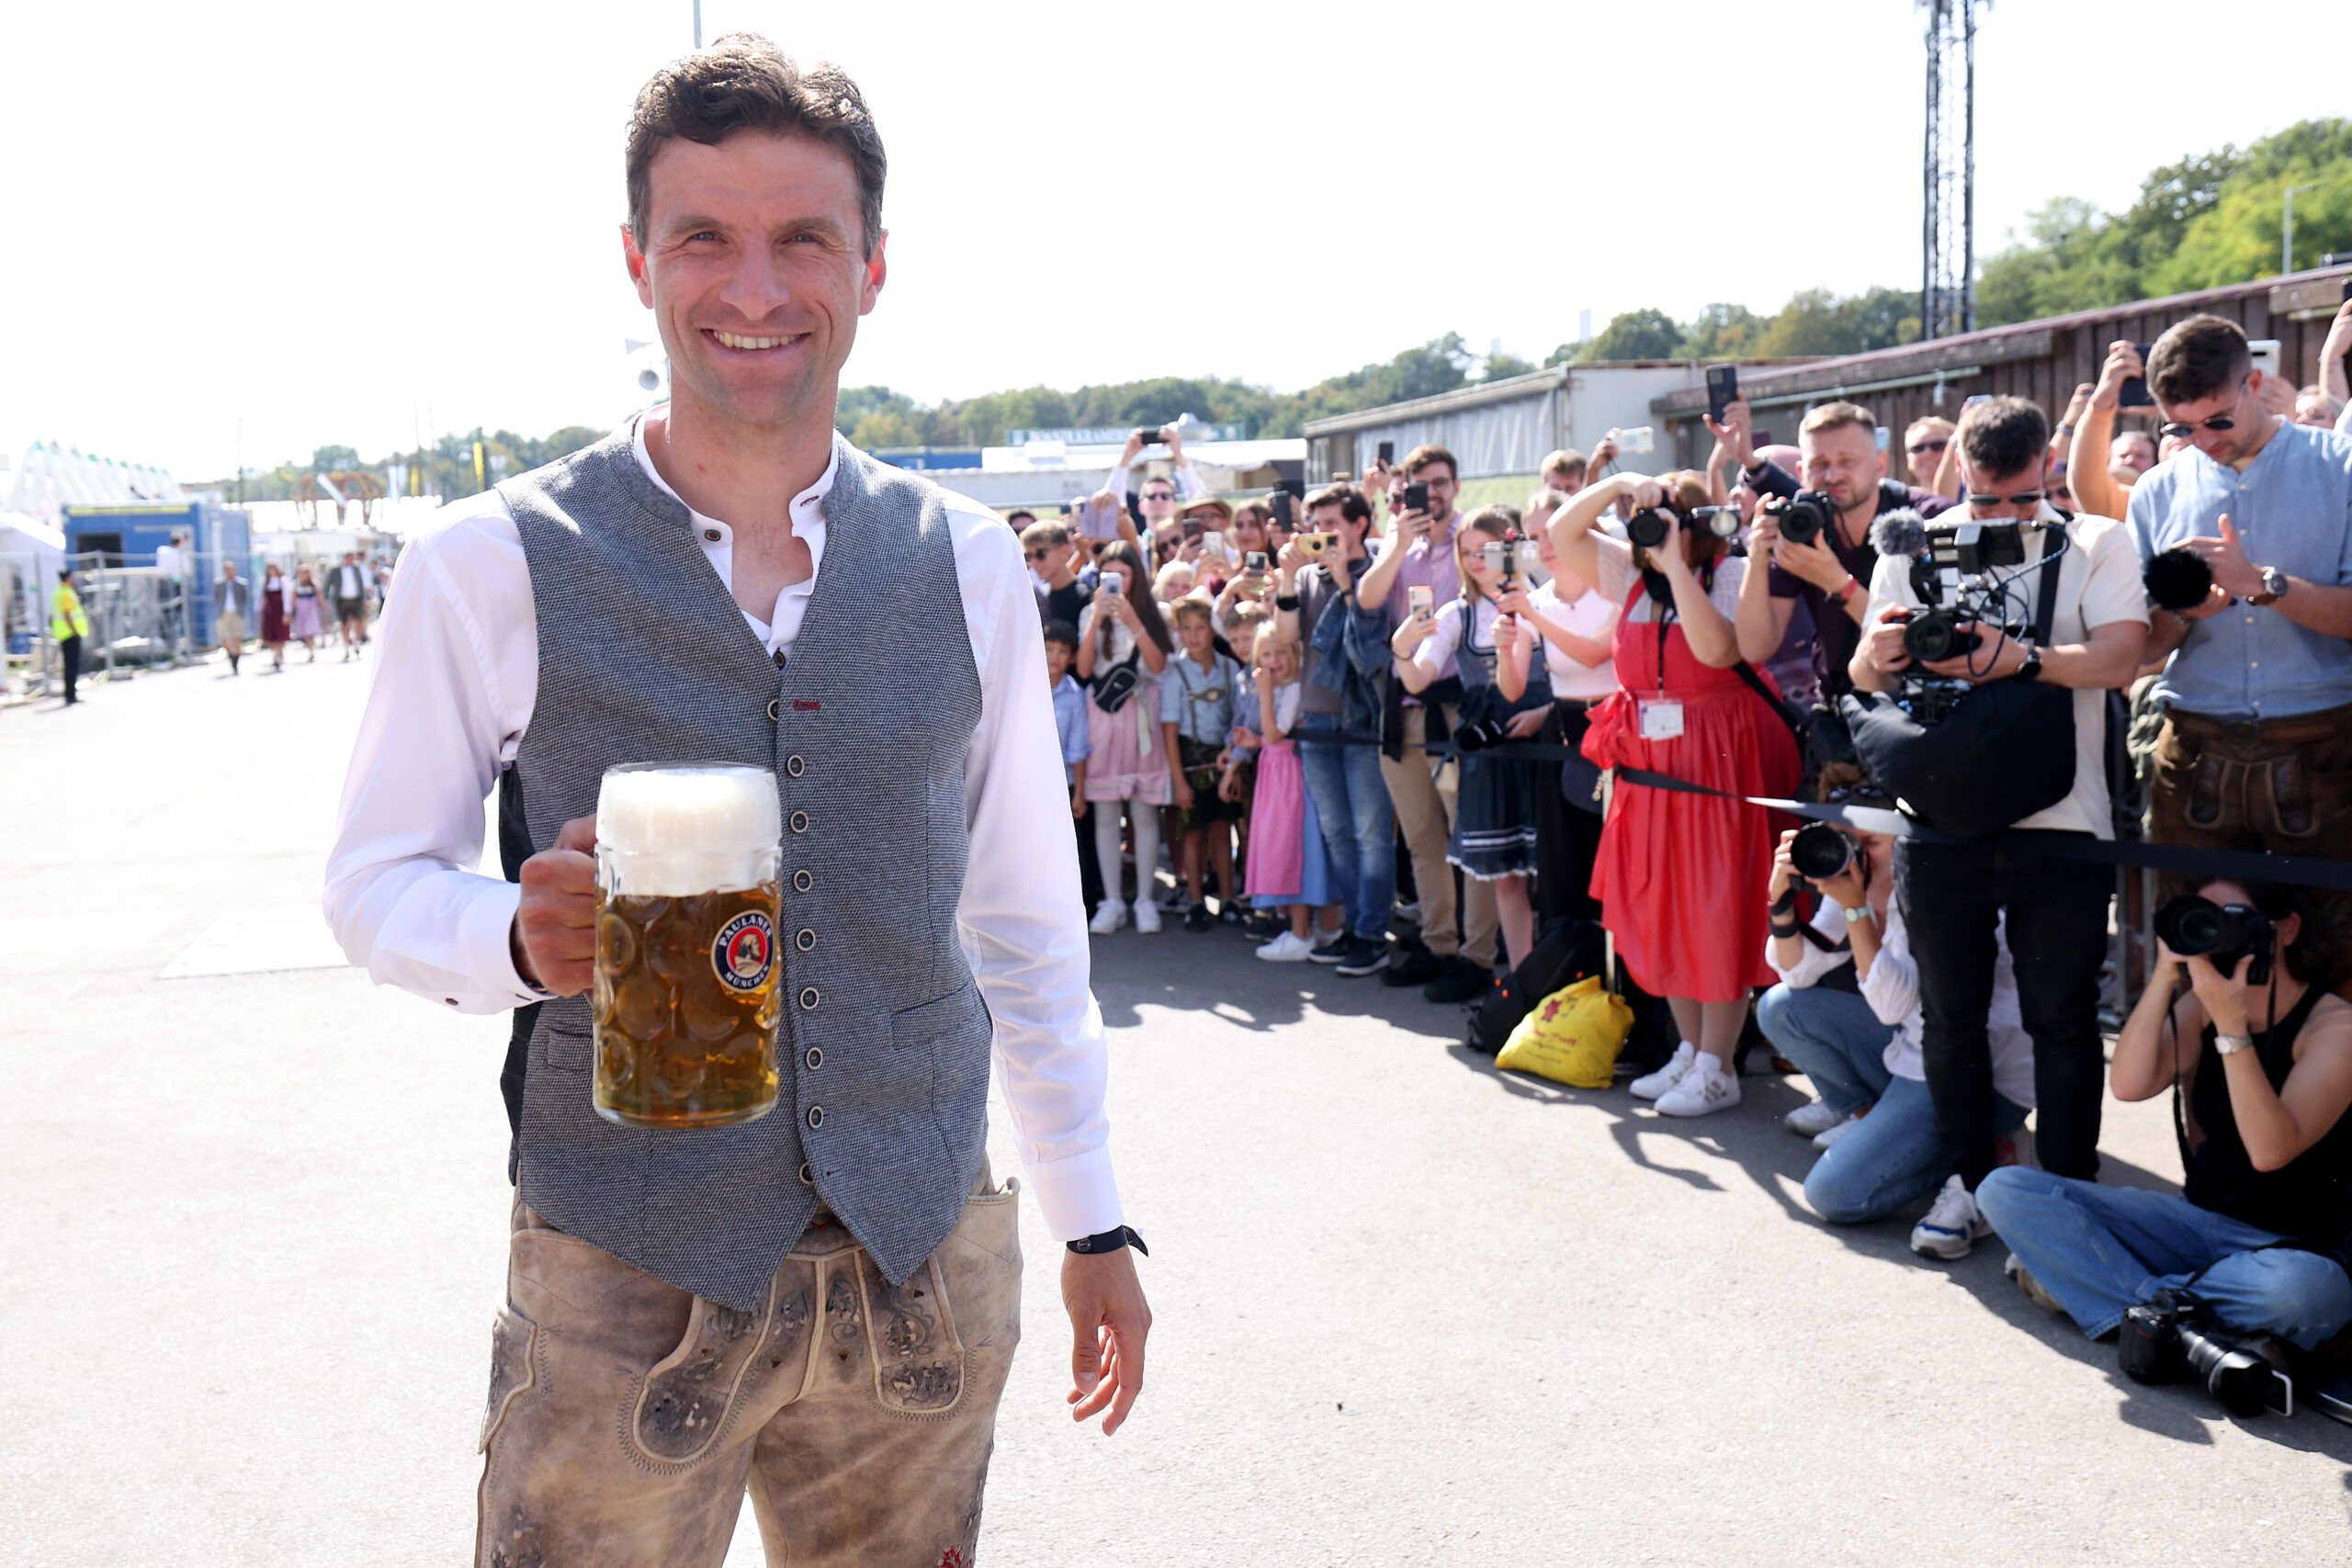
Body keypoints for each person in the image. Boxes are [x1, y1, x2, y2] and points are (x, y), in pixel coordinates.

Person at [321, 39, 1148, 1566]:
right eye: (704, 235)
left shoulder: (965, 561)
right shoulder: (490, 559)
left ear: (872, 268)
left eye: (800, 239)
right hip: (623, 1265)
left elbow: (1027, 922)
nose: (753, 286)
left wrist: (1093, 1217)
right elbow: (372, 881)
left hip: (921, 1257)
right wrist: (516, 932)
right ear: (637, 262)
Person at [1850, 395, 2149, 1251]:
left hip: (2065, 817)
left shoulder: (2095, 540)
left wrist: (2018, 658)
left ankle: (2066, 1192)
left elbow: (2123, 656)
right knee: (1950, 1016)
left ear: (2048, 469)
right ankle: (1970, 1180)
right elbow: (1863, 666)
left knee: (2061, 1016)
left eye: (2021, 499)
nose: (2003, 517)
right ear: (1960, 480)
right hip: (1941, 813)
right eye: (1984, 500)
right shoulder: (1916, 540)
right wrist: (1888, 650)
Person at [1981, 878, 2352, 1364]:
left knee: (2304, 1294)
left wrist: (2232, 1028)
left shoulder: (2334, 1029)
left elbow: (2270, 1150)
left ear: (2284, 929)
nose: (2214, 932)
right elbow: (2130, 1085)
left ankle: (2118, 1297)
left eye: (2230, 919)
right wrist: (2165, 976)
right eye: (2203, 918)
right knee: (2005, 1191)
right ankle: (2191, 1328)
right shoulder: (2203, 1003)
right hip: (2196, 1225)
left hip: (2292, 1250)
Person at [1552, 469, 1802, 1117]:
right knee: (1666, 906)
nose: (1644, 531)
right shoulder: (1631, 575)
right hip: (1651, 769)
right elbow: (1561, 530)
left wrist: (1675, 562)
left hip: (1719, 764)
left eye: (1661, 519)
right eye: (1642, 519)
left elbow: (1718, 650)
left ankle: (1720, 1063)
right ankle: (1689, 1050)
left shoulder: (1725, 572)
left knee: (1718, 906)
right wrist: (1620, 485)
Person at [2131, 314, 2352, 976]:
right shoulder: (2155, 490)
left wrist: (2263, 584)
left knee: (2333, 969)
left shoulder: (2339, 467)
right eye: (2181, 427)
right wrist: (2184, 611)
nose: (2202, 441)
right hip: (2195, 755)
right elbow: (2145, 648)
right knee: (2195, 966)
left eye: (2217, 421)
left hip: (2322, 751)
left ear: (2255, 382)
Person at [1758, 818, 2034, 1243]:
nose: (1855, 853)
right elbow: (1796, 973)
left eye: (1870, 842)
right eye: (1845, 839)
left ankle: (1988, 1160)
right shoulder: (1859, 881)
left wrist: (1855, 909)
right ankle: (1877, 1122)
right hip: (1914, 1049)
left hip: (1977, 1074)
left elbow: (1891, 1006)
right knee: (1781, 1008)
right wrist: (1779, 901)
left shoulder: (1929, 887)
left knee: (1833, 1194)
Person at [1351, 444, 1501, 1003]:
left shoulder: (1474, 540)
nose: (1431, 495)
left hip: (1460, 709)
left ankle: (1478, 955)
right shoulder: (1400, 546)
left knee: (1473, 836)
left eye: (1439, 484)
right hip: (1405, 706)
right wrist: (1395, 538)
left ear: (1456, 486)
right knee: (1422, 838)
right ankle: (1440, 944)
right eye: (1420, 486)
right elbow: (1368, 599)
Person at [1391, 507, 1552, 972]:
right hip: (1494, 754)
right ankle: (1524, 984)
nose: (1476, 560)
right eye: (1467, 552)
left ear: (1511, 547)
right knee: (1506, 879)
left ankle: (1557, 978)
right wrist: (1403, 647)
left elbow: (1573, 676)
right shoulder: (1457, 613)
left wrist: (1546, 713)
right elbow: (1418, 680)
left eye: (1485, 550)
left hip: (1547, 749)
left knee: (1553, 877)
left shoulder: (1543, 600)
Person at [1723, 399, 1953, 707]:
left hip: (1924, 704)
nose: (1832, 476)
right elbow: (1755, 648)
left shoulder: (1930, 517)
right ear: (1803, 472)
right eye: (1820, 464)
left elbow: (1919, 641)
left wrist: (1837, 584)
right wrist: (1758, 558)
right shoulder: (1801, 526)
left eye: (1847, 461)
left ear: (1880, 464)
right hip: (1840, 712)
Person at [1275, 483, 1395, 976]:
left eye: (1330, 524)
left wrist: (1346, 579)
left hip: (1364, 719)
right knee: (1338, 833)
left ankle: (1372, 933)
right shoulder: (1305, 576)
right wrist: (1286, 577)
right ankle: (1353, 928)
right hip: (1316, 719)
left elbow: (1371, 637)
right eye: (1314, 524)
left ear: (1360, 525)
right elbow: (1286, 641)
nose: (1320, 534)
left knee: (1372, 833)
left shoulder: (1379, 571)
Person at [1518, 486, 1616, 927]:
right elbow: (1511, 685)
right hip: (1562, 731)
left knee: (1611, 857)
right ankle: (1569, 980)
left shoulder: (1616, 587)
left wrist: (1534, 620)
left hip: (1615, 729)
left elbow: (1596, 654)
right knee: (1561, 861)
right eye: (1533, 536)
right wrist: (1509, 641)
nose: (1544, 546)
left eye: (1551, 532)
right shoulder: (1533, 601)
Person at [1078, 538, 1173, 934]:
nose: (1115, 582)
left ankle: (1146, 900)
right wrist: (1098, 620)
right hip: (1101, 716)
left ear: (1137, 574)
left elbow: (1159, 664)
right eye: (1107, 575)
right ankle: (1113, 901)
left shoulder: (1156, 612)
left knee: (1144, 811)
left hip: (1142, 716)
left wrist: (1134, 621)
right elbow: (1083, 669)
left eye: (1123, 573)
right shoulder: (1090, 611)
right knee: (1105, 812)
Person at [1240, 635, 1340, 961]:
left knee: (1295, 848)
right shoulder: (1286, 688)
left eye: (1280, 651)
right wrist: (1255, 742)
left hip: (1290, 778)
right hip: (1280, 772)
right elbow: (1270, 738)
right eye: (1266, 653)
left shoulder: (1293, 688)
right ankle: (1325, 927)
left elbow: (1275, 733)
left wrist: (1265, 694)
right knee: (1302, 847)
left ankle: (1302, 932)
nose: (1273, 660)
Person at [1160, 596, 1248, 931]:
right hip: (1190, 762)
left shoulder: (1230, 669)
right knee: (1193, 834)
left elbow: (1238, 718)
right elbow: (1169, 731)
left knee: (1222, 831)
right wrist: (1178, 781)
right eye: (1186, 629)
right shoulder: (1175, 675)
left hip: (1225, 761)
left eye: (1201, 628)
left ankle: (1227, 899)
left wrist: (1235, 766)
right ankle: (1195, 902)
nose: (1194, 636)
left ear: (1213, 629)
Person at [1045, 618, 1102, 912]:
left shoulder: (1074, 694)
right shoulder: (1027, 687)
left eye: (1061, 651)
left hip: (1063, 783)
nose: (1054, 657)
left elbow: (1078, 747)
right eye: (1048, 649)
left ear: (1072, 657)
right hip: (1032, 782)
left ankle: (1074, 907)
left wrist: (1079, 793)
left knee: (1069, 847)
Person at [1023, 518, 1091, 626]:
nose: (1034, 562)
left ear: (1063, 551)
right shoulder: (1038, 598)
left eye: (1040, 554)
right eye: (1029, 556)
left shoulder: (1086, 596)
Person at [51, 568, 88, 706]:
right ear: (68, 577)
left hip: (64, 633)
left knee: (69, 665)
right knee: (72, 666)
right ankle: (71, 695)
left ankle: (70, 694)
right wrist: (75, 631)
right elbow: (67, 614)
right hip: (69, 634)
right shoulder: (66, 592)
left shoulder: (59, 591)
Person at [331, 550, 368, 660]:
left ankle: (357, 644)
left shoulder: (356, 569)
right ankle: (347, 647)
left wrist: (364, 599)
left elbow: (361, 585)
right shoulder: (336, 570)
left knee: (359, 622)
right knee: (345, 625)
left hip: (356, 600)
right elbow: (329, 585)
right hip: (342, 601)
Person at [215, 559, 250, 675]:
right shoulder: (219, 584)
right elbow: (216, 598)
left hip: (237, 614)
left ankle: (235, 662)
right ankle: (231, 654)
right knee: (224, 639)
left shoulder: (241, 584)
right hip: (224, 614)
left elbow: (245, 598)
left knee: (237, 638)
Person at [1901, 417, 1955, 491]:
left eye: (1938, 445)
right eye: (1918, 448)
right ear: (1908, 460)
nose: (1927, 453)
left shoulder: (1972, 497)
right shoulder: (1902, 499)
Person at [259, 562, 291, 671]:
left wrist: (287, 612)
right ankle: (276, 653)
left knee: (280, 635)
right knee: (270, 636)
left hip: (279, 611)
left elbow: (287, 597)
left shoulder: (282, 580)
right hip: (269, 612)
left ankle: (278, 655)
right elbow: (261, 597)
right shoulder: (265, 581)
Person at [290, 565, 323, 659]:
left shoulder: (314, 584)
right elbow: (293, 598)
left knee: (310, 629)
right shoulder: (296, 584)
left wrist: (324, 610)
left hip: (311, 609)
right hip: (301, 610)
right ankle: (310, 648)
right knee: (304, 631)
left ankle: (312, 649)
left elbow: (319, 598)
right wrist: (292, 611)